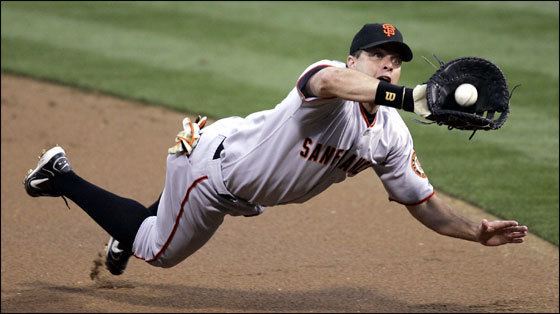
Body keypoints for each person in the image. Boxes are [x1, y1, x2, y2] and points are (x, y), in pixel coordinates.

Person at [23, 23, 528, 276]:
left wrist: (474, 232)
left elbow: (425, 204)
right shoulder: (331, 79)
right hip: (213, 173)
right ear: (356, 58)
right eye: (377, 55)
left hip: (239, 168)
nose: (388, 65)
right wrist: (409, 96)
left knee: (159, 223)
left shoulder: (392, 135)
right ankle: (59, 173)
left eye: (396, 61)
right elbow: (331, 82)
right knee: (158, 252)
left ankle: (131, 225)